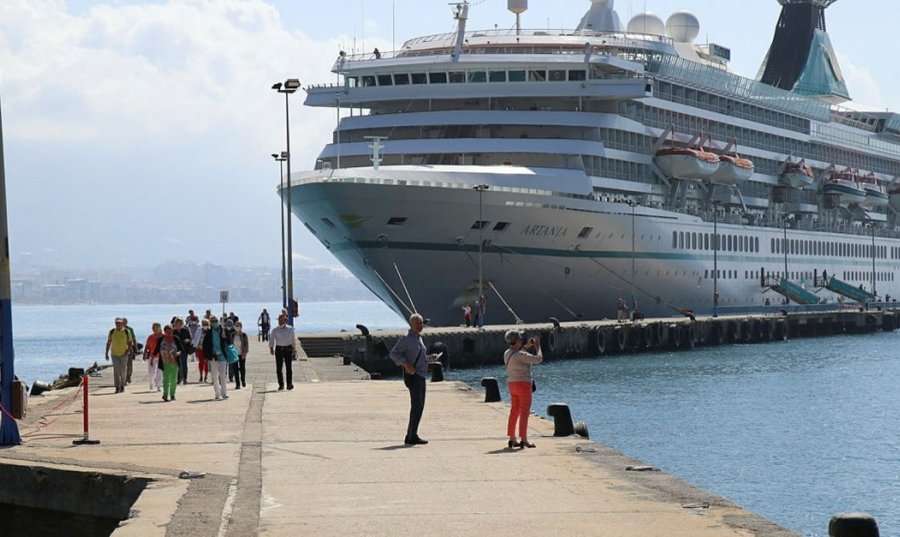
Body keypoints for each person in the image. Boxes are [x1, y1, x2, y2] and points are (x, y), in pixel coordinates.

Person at [389, 313, 435, 446]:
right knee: (416, 406)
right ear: (411, 324)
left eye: (421, 323)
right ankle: (411, 435)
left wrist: (429, 358)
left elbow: (419, 355)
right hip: (413, 376)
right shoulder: (406, 338)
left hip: (421, 375)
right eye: (418, 323)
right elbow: (393, 354)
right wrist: (405, 364)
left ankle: (412, 434)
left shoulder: (418, 338)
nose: (420, 326)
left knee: (420, 406)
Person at [503, 330, 542, 449]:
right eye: (520, 339)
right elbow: (538, 359)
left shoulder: (507, 353)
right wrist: (538, 346)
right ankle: (524, 439)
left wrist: (526, 346)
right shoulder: (521, 355)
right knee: (524, 412)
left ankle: (512, 438)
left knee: (514, 411)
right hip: (523, 385)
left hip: (512, 385)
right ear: (518, 340)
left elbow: (518, 352)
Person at [202, 316, 230, 400]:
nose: (214, 323)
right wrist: (206, 356)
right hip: (213, 357)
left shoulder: (223, 330)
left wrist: (225, 337)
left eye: (216, 321)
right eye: (212, 321)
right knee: (214, 376)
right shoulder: (209, 332)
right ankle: (217, 393)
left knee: (223, 376)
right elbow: (205, 345)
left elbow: (229, 342)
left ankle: (224, 393)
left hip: (222, 356)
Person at [105, 318, 133, 393]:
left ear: (122, 324)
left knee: (123, 370)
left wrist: (128, 351)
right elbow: (108, 342)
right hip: (114, 354)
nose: (118, 325)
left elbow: (130, 342)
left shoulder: (127, 331)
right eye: (117, 323)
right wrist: (106, 353)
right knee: (116, 370)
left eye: (120, 323)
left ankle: (122, 385)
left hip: (124, 354)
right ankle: (117, 386)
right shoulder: (112, 332)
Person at [269, 313, 295, 391]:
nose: (280, 321)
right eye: (279, 320)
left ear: (285, 320)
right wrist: (271, 348)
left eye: (282, 319)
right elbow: (272, 340)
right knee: (279, 369)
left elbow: (293, 339)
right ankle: (281, 385)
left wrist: (294, 349)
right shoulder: (275, 330)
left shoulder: (290, 329)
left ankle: (289, 384)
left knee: (289, 368)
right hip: (279, 349)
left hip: (288, 349)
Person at [159, 325, 183, 402]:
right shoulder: (161, 339)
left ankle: (172, 394)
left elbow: (181, 349)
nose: (169, 333)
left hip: (174, 362)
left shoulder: (176, 338)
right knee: (166, 379)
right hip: (164, 362)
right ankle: (165, 394)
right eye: (167, 331)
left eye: (171, 331)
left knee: (174, 379)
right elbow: (156, 349)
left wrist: (178, 353)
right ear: (164, 331)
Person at [143, 323, 164, 392]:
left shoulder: (163, 336)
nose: (154, 329)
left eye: (156, 328)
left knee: (159, 372)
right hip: (152, 357)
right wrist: (144, 354)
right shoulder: (150, 337)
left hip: (161, 356)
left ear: (160, 328)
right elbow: (147, 346)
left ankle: (158, 386)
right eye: (153, 328)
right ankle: (151, 383)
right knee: (151, 372)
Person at [174, 318, 192, 385]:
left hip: (184, 349)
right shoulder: (173, 331)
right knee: (178, 365)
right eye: (177, 324)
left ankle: (185, 378)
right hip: (176, 350)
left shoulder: (185, 330)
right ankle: (179, 379)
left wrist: (187, 340)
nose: (178, 325)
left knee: (184, 364)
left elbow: (190, 338)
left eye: (180, 324)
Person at [232, 321, 249, 390]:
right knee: (235, 369)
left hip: (241, 354)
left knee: (242, 368)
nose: (237, 327)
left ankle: (243, 380)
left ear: (241, 327)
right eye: (236, 325)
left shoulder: (244, 335)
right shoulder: (232, 335)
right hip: (234, 354)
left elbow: (246, 345)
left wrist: (244, 353)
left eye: (238, 326)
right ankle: (237, 384)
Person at [194, 318, 210, 383]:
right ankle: (201, 376)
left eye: (206, 324)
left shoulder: (209, 331)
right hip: (200, 349)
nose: (204, 325)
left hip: (207, 349)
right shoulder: (199, 330)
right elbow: (196, 338)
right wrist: (196, 346)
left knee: (206, 363)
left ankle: (206, 376)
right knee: (201, 363)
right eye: (203, 324)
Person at [122, 317, 137, 384]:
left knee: (129, 365)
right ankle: (124, 378)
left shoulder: (130, 329)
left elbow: (134, 338)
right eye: (123, 322)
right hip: (121, 349)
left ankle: (128, 377)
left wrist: (136, 348)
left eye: (125, 322)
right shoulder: (118, 330)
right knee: (123, 365)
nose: (124, 323)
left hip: (130, 349)